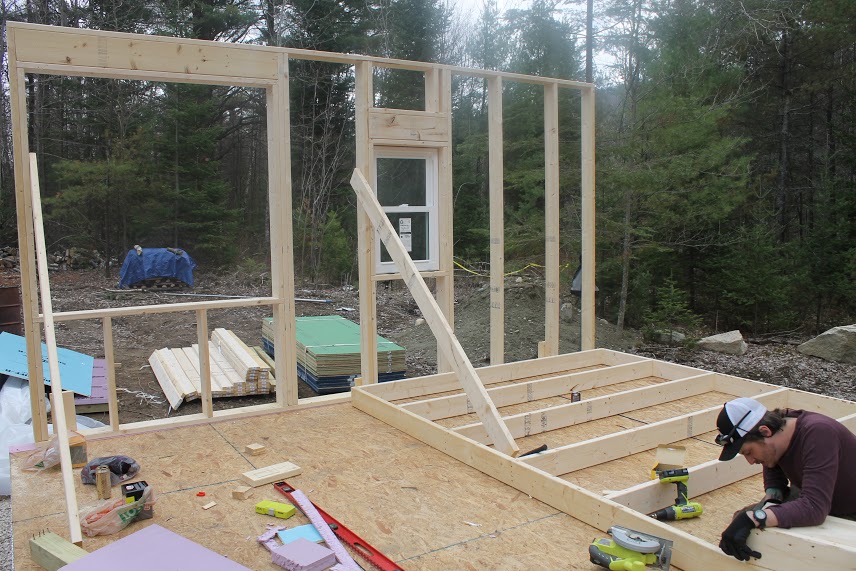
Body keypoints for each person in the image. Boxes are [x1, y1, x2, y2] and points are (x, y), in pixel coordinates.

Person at [714, 396, 856, 561]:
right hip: (817, 492)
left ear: (765, 431)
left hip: (848, 507)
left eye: (748, 452)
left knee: (811, 555)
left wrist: (757, 517)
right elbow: (773, 470)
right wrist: (770, 502)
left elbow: (814, 507)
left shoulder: (819, 433)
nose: (751, 461)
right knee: (741, 520)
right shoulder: (777, 429)